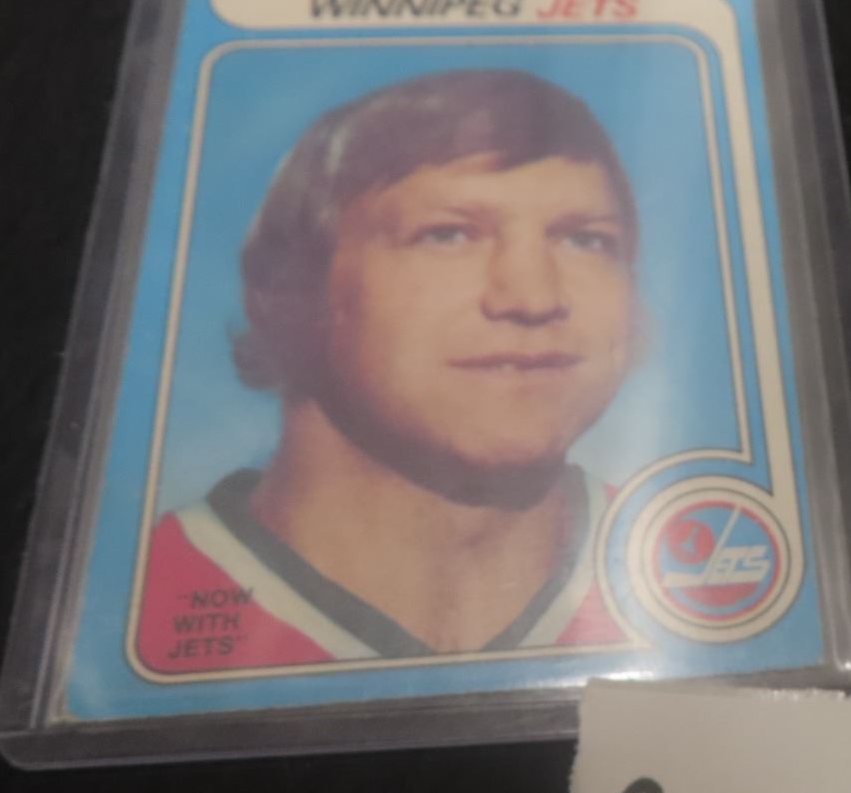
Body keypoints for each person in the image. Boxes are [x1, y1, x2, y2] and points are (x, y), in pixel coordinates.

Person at [136, 69, 641, 673]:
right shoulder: (128, 608)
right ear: (293, 288)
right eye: (448, 234)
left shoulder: (692, 573)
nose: (533, 297)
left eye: (586, 240)